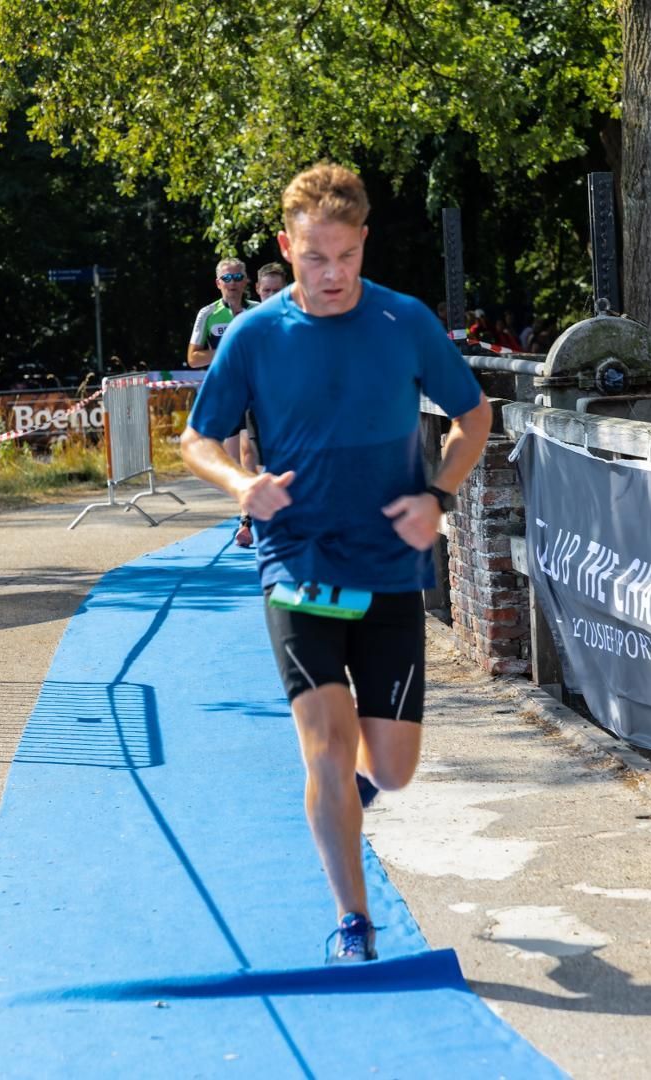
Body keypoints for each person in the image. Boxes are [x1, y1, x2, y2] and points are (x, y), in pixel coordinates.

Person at [181, 163, 491, 964]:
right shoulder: (253, 335)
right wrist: (241, 483)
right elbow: (198, 438)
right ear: (287, 247)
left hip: (389, 565)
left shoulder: (404, 320)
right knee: (324, 740)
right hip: (298, 560)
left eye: (345, 258)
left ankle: (342, 802)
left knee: (391, 769)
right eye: (314, 258)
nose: (330, 276)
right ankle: (355, 921)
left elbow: (473, 414)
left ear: (363, 245)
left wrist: (439, 494)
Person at [187, 257, 260, 545]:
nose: (232, 284)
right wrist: (227, 352)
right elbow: (193, 358)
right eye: (226, 279)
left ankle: (248, 521)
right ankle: (250, 509)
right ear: (218, 283)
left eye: (237, 277)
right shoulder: (208, 314)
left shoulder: (258, 311)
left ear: (246, 281)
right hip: (227, 394)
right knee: (236, 462)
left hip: (257, 394)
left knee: (249, 452)